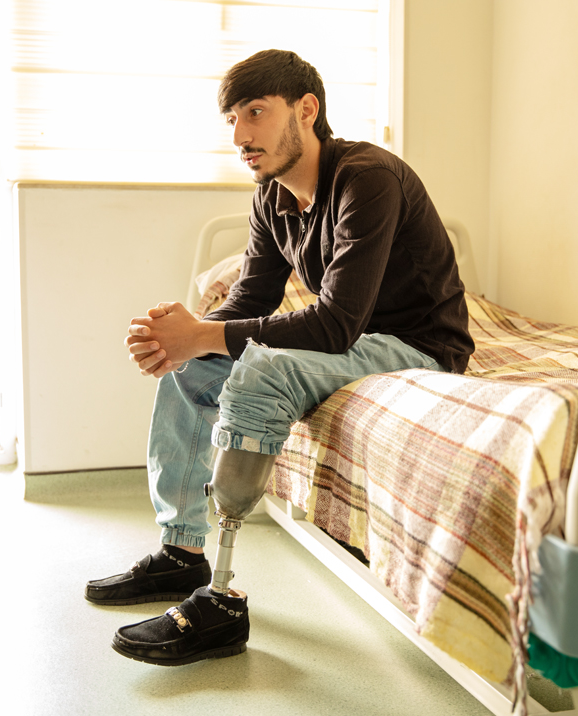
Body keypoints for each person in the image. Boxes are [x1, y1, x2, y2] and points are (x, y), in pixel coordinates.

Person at [85, 49, 474, 666]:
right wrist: (179, 338)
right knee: (193, 366)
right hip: (353, 343)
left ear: (307, 110)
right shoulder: (271, 196)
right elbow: (252, 299)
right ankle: (182, 553)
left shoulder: (368, 177)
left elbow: (336, 322)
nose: (240, 136)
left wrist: (201, 335)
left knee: (262, 370)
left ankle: (220, 603)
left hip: (418, 347)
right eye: (232, 120)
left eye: (256, 113)